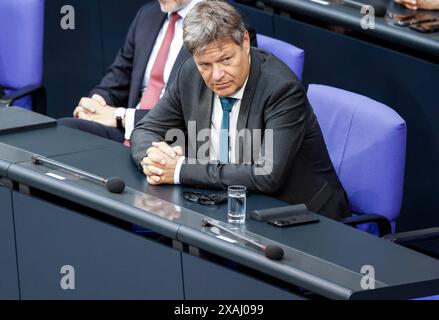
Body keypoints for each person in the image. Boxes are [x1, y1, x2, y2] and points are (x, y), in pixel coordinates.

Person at [131, 0, 350, 221]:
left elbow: (267, 175)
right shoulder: (189, 74)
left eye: (226, 60)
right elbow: (145, 129)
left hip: (300, 215)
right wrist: (154, 159)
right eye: (205, 65)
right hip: (227, 204)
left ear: (245, 42)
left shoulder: (281, 89)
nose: (217, 75)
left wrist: (179, 170)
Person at [58, 0, 257, 144]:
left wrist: (121, 116)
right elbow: (118, 77)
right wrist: (96, 104)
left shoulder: (225, 26)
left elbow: (198, 116)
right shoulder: (147, 14)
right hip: (126, 131)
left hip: (174, 142)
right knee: (65, 131)